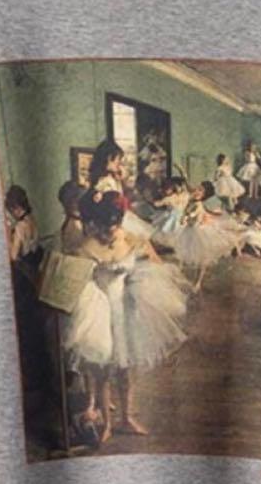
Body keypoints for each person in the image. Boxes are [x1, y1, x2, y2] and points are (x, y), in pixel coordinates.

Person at [63, 189, 190, 444]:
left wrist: (141, 282)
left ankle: (126, 418)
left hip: (124, 308)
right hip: (100, 311)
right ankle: (107, 424)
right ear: (96, 224)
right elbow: (76, 279)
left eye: (115, 226)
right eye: (105, 227)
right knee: (103, 370)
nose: (110, 232)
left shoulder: (130, 239)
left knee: (125, 368)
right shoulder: (86, 247)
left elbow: (153, 261)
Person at [173, 180, 239, 291]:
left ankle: (198, 282)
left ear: (205, 194)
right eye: (197, 189)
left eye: (201, 190)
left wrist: (193, 217)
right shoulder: (191, 201)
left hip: (199, 231)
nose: (197, 192)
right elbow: (185, 214)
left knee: (202, 258)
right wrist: (184, 218)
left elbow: (194, 215)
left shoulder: (199, 204)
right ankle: (179, 275)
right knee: (184, 255)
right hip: (189, 230)